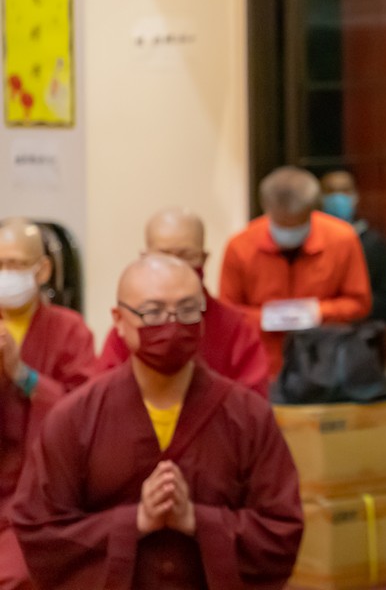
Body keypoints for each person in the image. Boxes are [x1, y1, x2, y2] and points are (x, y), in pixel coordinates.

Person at [11, 254, 304, 589]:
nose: (173, 324)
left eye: (188, 310)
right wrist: (134, 522)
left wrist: (195, 520)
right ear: (119, 320)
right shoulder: (75, 417)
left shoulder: (248, 415)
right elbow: (39, 531)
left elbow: (282, 530)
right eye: (153, 312)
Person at [0, 218, 96, 590]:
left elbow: (84, 416)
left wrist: (21, 374)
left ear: (43, 270)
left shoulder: (70, 330)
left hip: (40, 497)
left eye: (15, 264)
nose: (5, 274)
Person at [97, 208, 270, 396]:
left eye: (185, 256)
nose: (175, 266)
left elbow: (251, 404)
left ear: (204, 259)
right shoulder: (132, 325)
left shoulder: (235, 328)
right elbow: (105, 397)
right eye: (163, 256)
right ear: (144, 258)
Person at [219, 166, 371, 377]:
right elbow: (227, 312)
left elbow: (359, 303)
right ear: (267, 208)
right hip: (261, 365)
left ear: (312, 209)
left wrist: (318, 312)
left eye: (297, 223)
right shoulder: (240, 246)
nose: (289, 231)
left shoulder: (342, 239)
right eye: (282, 223)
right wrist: (267, 317)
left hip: (326, 363)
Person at [320, 170, 386, 325]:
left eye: (344, 191)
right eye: (330, 191)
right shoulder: (310, 242)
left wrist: (353, 306)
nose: (338, 198)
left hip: (358, 331)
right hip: (315, 331)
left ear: (356, 196)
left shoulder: (373, 244)